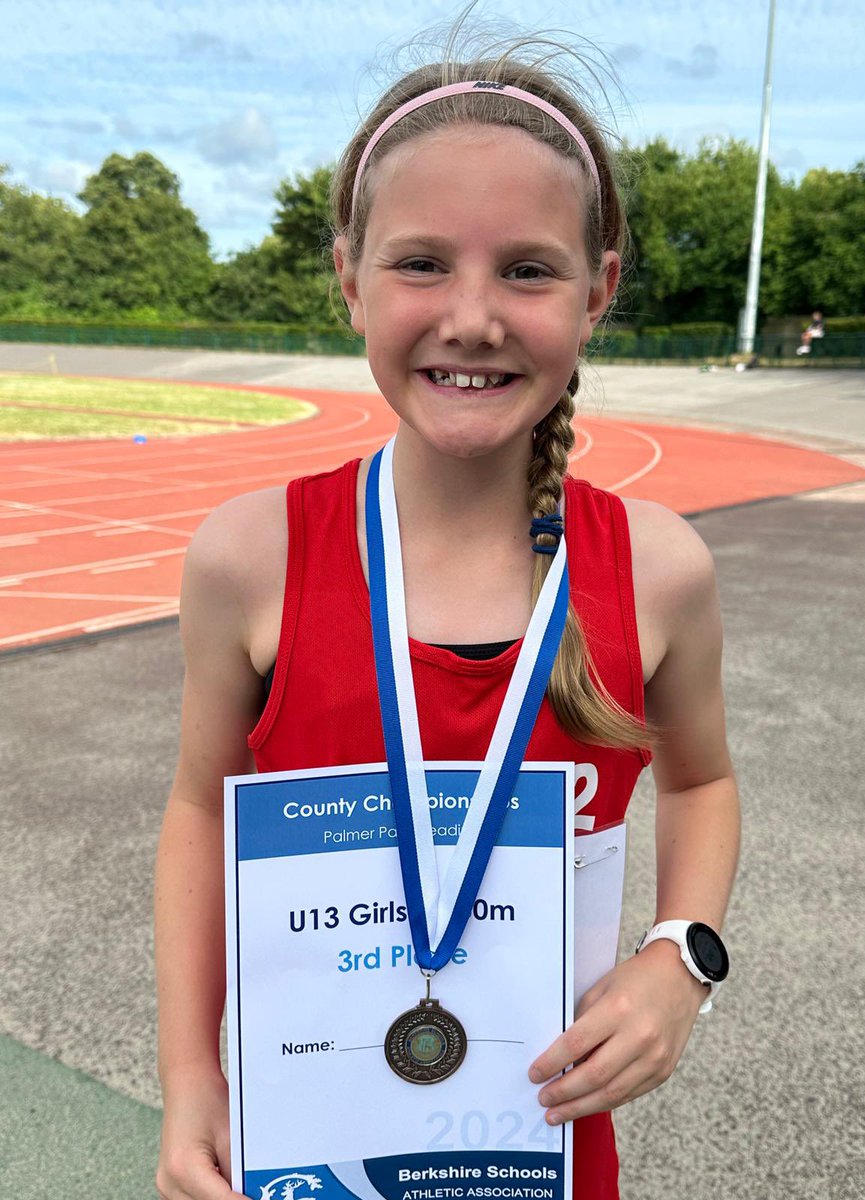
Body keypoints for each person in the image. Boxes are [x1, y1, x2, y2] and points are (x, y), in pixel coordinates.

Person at [154, 23, 740, 1200]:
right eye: (421, 263)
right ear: (349, 279)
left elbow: (702, 784)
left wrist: (682, 955)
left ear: (598, 292)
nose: (472, 317)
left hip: (539, 1145)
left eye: (527, 270)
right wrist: (187, 1075)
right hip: (304, 1149)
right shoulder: (251, 557)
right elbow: (200, 810)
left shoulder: (656, 569)